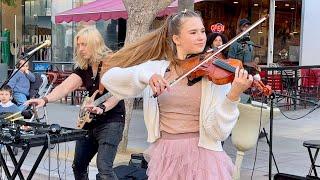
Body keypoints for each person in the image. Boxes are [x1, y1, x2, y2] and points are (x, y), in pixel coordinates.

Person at [101, 10, 253, 179]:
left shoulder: (214, 74)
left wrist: (232, 97)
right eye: (193, 32)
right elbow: (109, 79)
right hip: (165, 155)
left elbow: (219, 133)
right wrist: (145, 76)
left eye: (202, 31)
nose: (202, 37)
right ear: (176, 39)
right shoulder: (158, 68)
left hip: (203, 156)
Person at [26, 27, 125, 180]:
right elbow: (65, 87)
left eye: (84, 44)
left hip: (111, 121)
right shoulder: (83, 67)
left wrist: (103, 107)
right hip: (89, 122)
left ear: (95, 43)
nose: (80, 48)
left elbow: (118, 93)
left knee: (104, 168)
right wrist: (44, 99)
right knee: (78, 165)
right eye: (78, 45)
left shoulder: (111, 62)